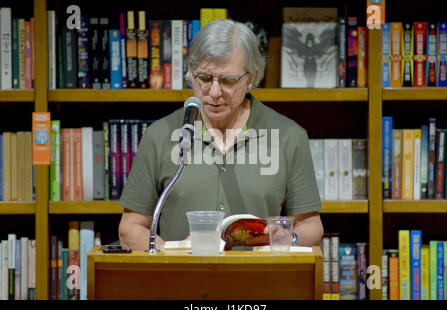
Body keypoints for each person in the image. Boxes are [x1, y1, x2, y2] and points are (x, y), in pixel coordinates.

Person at [118, 19, 323, 251]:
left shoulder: (289, 137)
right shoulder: (159, 135)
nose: (214, 93)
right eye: (204, 79)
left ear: (252, 78)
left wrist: (287, 238)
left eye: (228, 81)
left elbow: (311, 226)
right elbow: (130, 228)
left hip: (260, 281)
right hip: (180, 281)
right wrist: (172, 252)